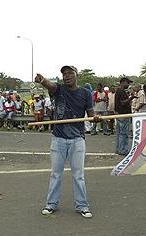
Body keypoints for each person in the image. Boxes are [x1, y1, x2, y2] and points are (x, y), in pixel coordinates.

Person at [35, 65, 99, 218]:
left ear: (76, 75)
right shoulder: (59, 90)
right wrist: (43, 80)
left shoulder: (85, 93)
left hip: (77, 140)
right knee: (56, 174)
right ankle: (51, 204)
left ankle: (82, 206)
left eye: (70, 73)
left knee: (78, 175)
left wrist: (95, 118)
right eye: (64, 74)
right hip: (58, 139)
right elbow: (50, 85)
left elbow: (91, 113)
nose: (66, 76)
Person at [114, 77, 134, 156]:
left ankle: (118, 149)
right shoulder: (121, 91)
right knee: (124, 133)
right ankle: (123, 149)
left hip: (119, 114)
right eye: (127, 83)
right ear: (123, 82)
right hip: (123, 114)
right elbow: (122, 102)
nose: (128, 85)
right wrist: (130, 98)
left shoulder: (119, 90)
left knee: (119, 133)